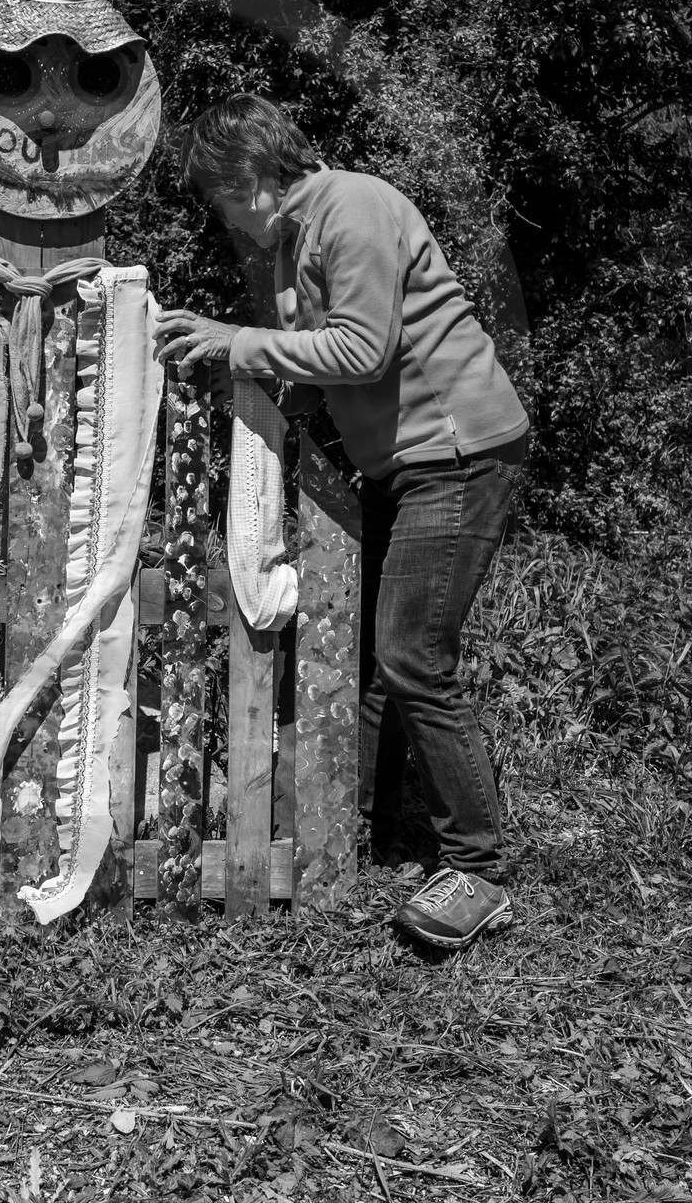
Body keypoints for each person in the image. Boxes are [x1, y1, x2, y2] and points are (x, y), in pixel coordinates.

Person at [156, 94, 529, 949]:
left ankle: (479, 868)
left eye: (219, 200)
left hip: (457, 453)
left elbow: (362, 348)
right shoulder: (297, 238)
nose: (223, 221)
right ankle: (358, 831)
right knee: (375, 662)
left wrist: (235, 341)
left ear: (249, 176)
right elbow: (319, 359)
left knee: (413, 657)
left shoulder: (352, 208)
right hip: (405, 462)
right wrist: (237, 361)